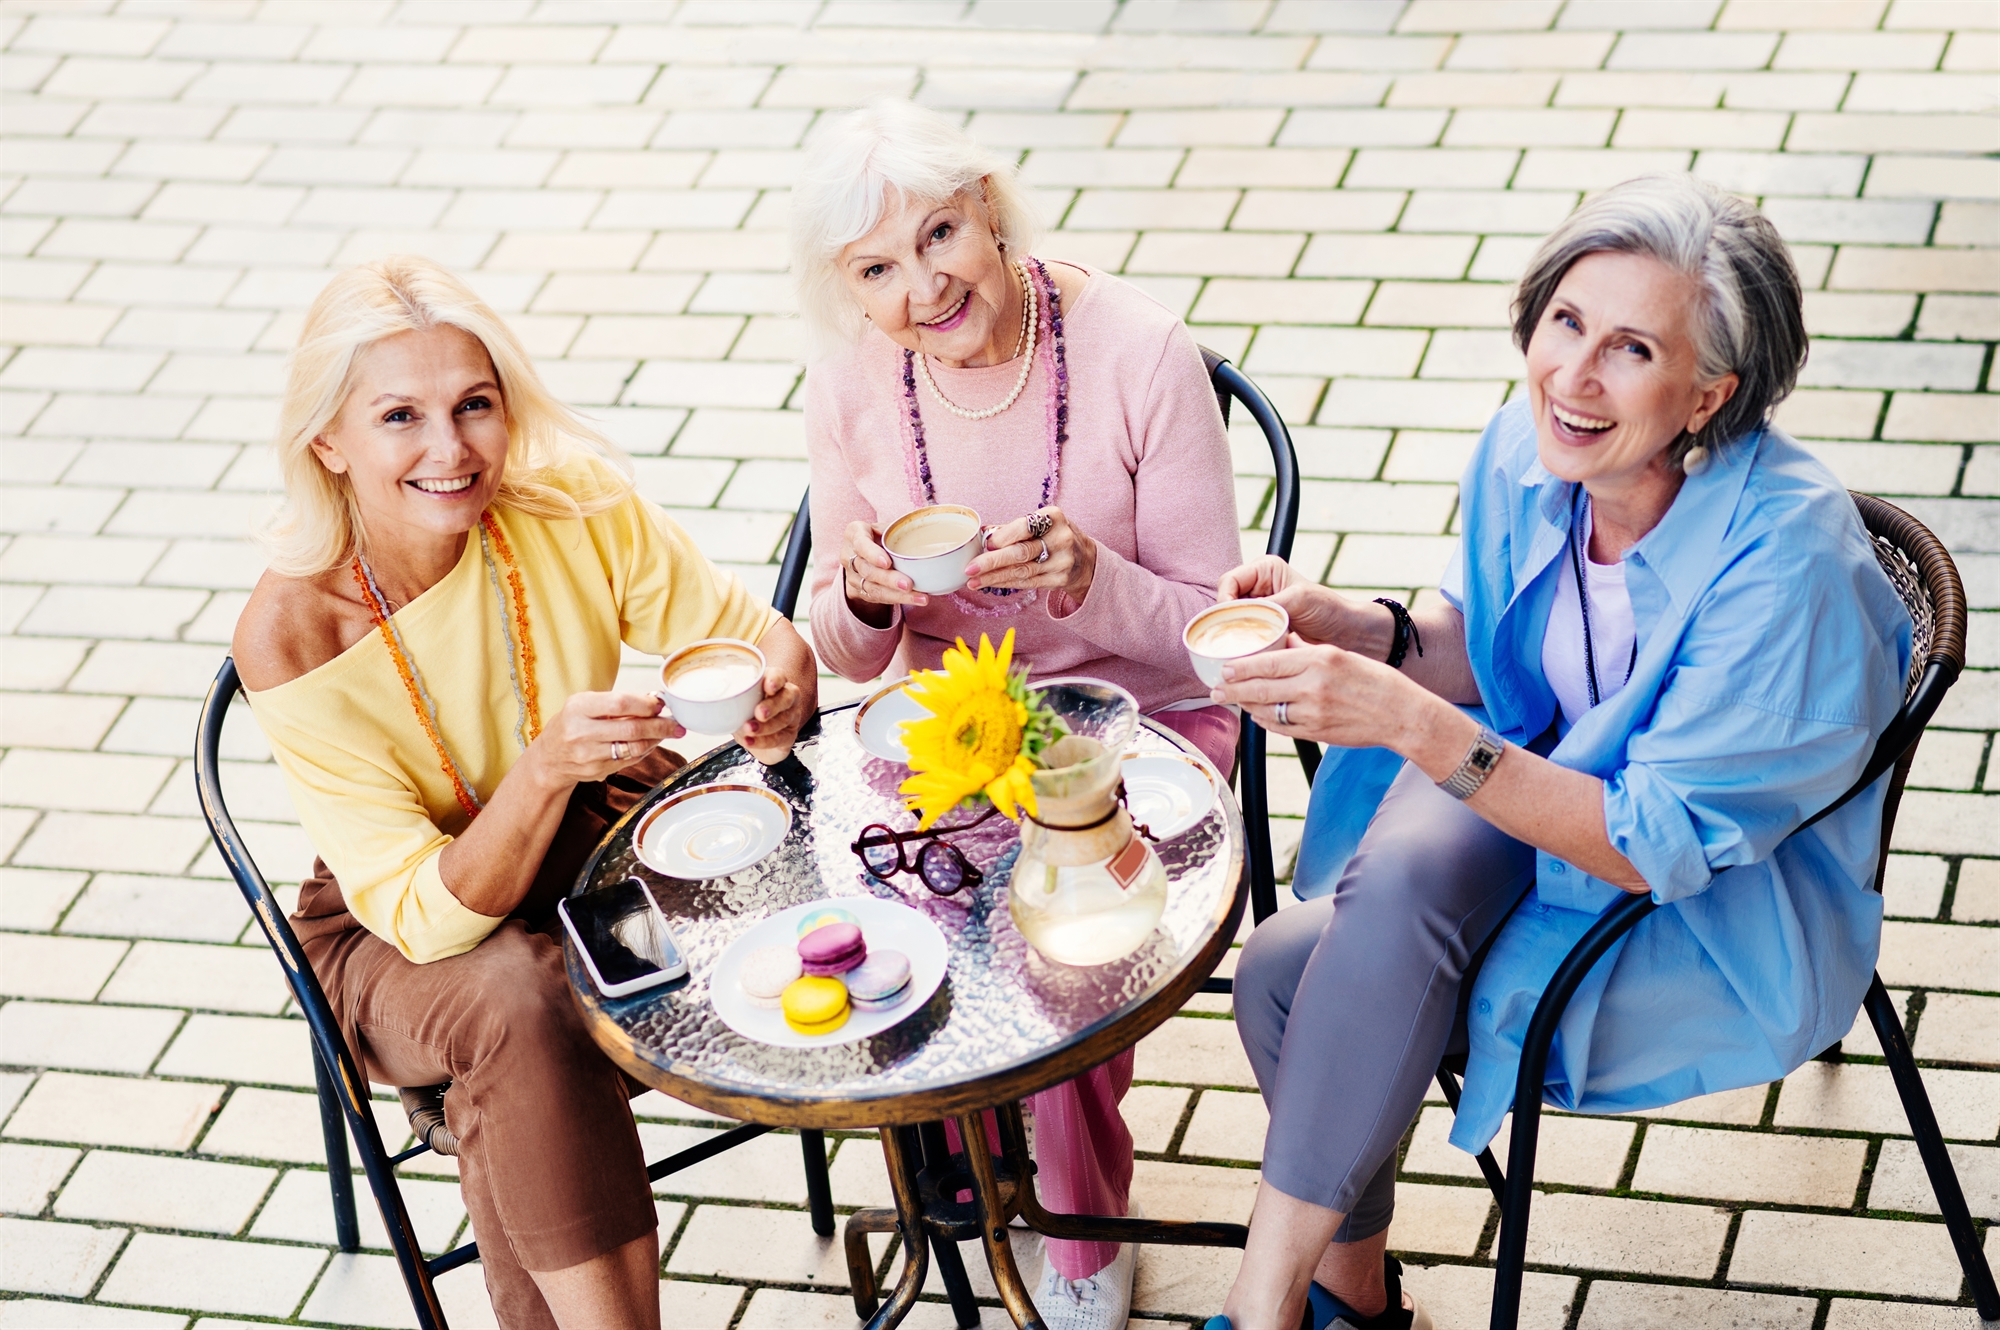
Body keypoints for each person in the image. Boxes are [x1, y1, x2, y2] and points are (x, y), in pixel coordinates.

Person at [1199, 175, 1912, 1330]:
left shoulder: (1787, 567)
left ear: (1708, 394)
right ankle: (1328, 1300)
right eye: (1564, 322)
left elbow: (1648, 845)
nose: (1570, 377)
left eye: (1629, 348)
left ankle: (1279, 1307)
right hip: (1540, 803)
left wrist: (1408, 723)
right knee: (1287, 965)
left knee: (1303, 967)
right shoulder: (1528, 453)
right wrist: (1357, 629)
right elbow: (1488, 652)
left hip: (1706, 903)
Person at [233, 256, 818, 1330]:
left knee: (786, 868)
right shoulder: (293, 631)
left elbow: (750, 632)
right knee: (521, 1002)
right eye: (398, 417)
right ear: (330, 442)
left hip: (592, 846)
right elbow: (421, 911)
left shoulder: (569, 502)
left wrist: (779, 690)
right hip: (398, 930)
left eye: (474, 405)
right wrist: (546, 764)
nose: (450, 451)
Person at [792, 100, 1243, 1329]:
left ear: (988, 208)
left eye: (939, 234)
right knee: (896, 913)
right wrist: (864, 600)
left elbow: (1213, 635)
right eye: (877, 268)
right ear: (848, 287)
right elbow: (836, 648)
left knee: (1054, 943)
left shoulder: (1140, 351)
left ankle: (1081, 1225)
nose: (922, 284)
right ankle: (965, 1165)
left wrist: (1095, 577)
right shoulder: (848, 385)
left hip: (1137, 720)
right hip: (940, 729)